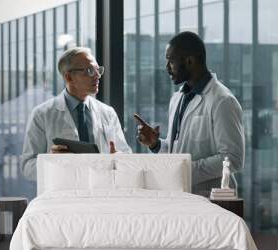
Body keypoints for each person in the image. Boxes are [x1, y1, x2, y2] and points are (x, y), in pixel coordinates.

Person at [136, 31, 245, 195]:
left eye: (171, 61)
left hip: (210, 200)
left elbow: (232, 158)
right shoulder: (178, 98)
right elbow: (180, 152)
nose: (167, 68)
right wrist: (156, 144)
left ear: (190, 61)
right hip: (180, 197)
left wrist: (185, 171)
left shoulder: (222, 101)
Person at [22, 47, 132, 180]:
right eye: (90, 71)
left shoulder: (108, 113)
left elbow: (126, 155)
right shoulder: (41, 114)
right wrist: (51, 161)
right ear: (69, 77)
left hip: (100, 191)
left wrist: (118, 158)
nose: (97, 75)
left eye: (98, 70)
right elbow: (27, 166)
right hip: (62, 194)